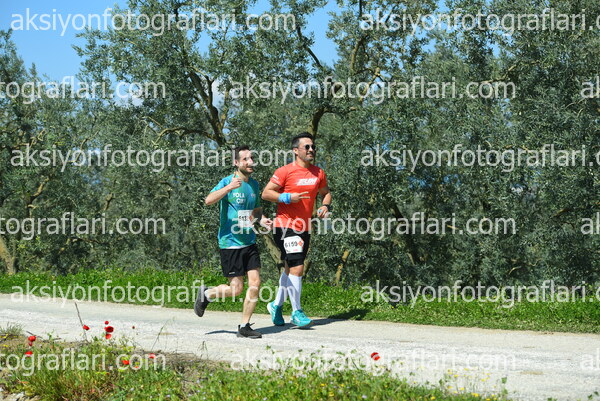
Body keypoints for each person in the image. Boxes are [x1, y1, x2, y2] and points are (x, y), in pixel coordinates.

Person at [194, 145, 272, 339]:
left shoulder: (254, 185)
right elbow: (208, 200)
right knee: (236, 289)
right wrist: (228, 187)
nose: (250, 162)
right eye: (246, 159)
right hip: (230, 243)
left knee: (255, 282)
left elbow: (256, 211)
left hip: (249, 242)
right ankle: (207, 294)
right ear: (236, 163)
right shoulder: (227, 181)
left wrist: (263, 220)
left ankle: (244, 326)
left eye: (252, 158)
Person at [261, 132, 332, 328]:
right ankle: (296, 312)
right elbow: (266, 193)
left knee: (290, 268)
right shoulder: (285, 171)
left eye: (313, 147)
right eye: (306, 147)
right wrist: (286, 197)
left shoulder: (319, 173)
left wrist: (325, 206)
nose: (311, 150)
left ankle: (276, 305)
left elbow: (326, 193)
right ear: (295, 150)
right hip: (284, 226)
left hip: (304, 227)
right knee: (298, 266)